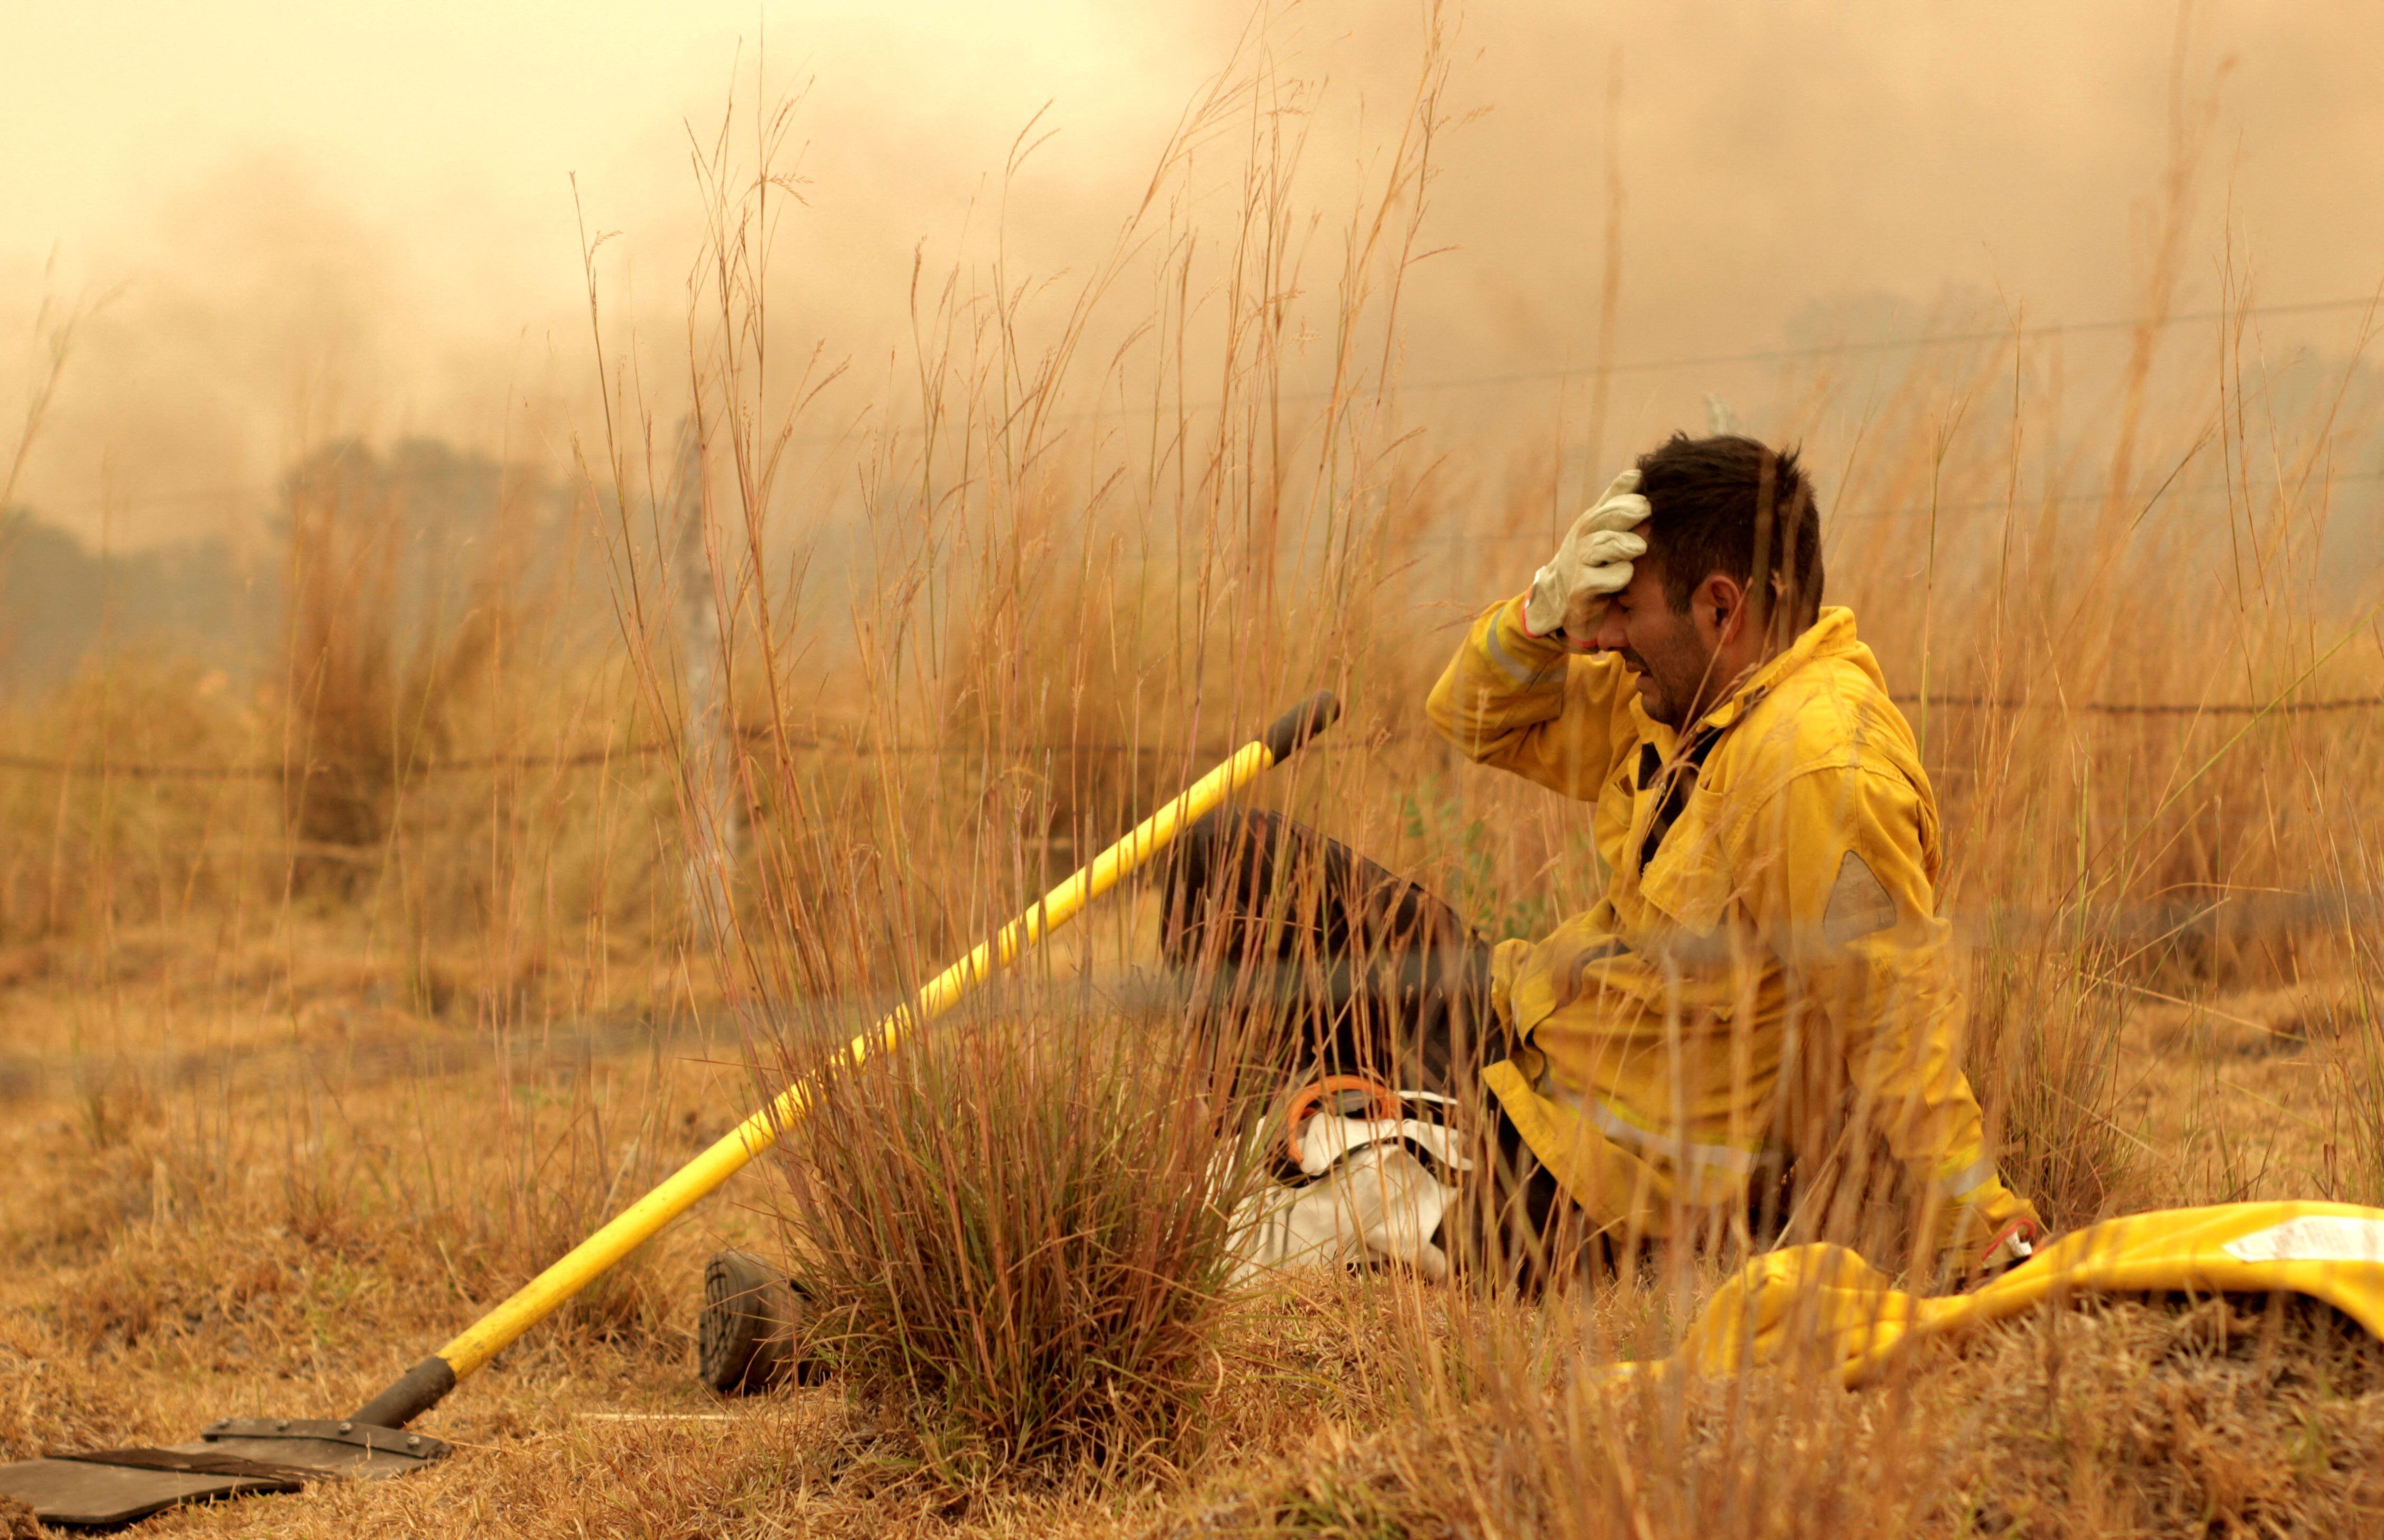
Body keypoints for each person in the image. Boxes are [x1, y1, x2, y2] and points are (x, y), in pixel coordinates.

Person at [1165, 433, 2043, 1289]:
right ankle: (1283, 1122)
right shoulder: (1684, 696)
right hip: (1522, 1030)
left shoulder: (1816, 764)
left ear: (1721, 608)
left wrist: (1988, 1230)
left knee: (1243, 1227)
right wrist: (1540, 611)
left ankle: (1315, 1147)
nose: (1604, 637)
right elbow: (1472, 717)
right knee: (1227, 861)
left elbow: (1896, 1022)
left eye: (1625, 607)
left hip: (1591, 1177)